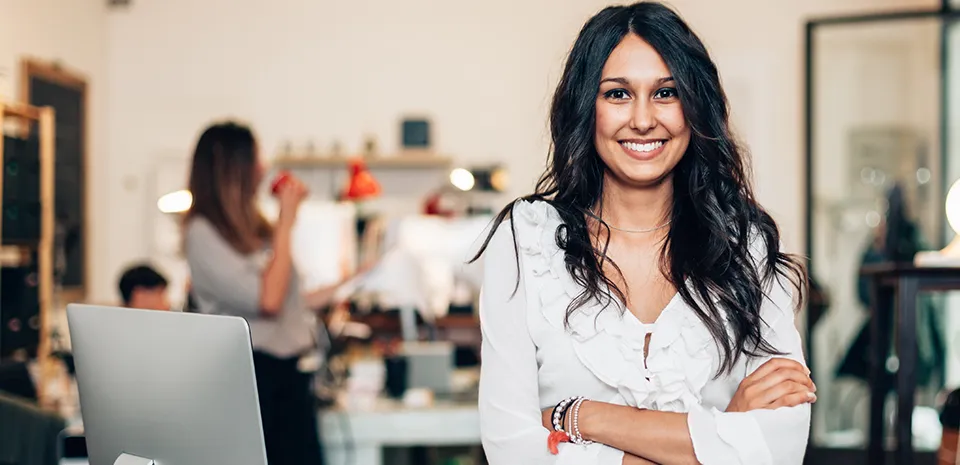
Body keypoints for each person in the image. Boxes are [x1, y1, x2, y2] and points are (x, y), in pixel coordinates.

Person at [473, 3, 814, 464]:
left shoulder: (744, 246)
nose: (642, 119)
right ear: (585, 106)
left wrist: (583, 416)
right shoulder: (525, 243)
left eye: (666, 92)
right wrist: (725, 434)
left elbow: (782, 445)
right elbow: (511, 450)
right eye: (617, 94)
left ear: (694, 107)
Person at [183, 121, 358, 465]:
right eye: (255, 159)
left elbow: (292, 301)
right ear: (231, 167)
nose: (262, 169)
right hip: (251, 380)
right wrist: (287, 222)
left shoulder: (254, 229)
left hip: (288, 377)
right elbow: (269, 301)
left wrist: (353, 281)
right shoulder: (202, 234)